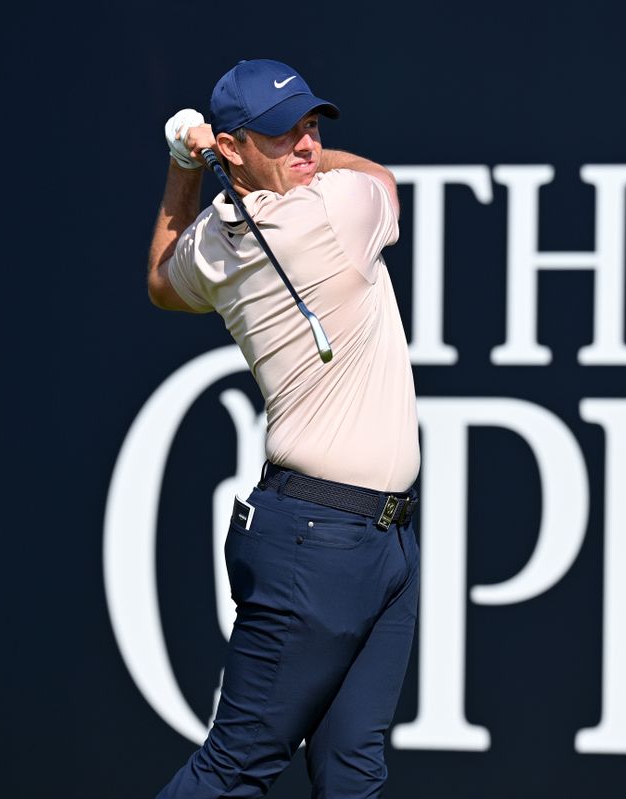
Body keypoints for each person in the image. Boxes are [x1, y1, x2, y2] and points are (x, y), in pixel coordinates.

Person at [146, 58, 421, 799]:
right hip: (318, 546)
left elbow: (162, 280)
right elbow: (385, 181)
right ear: (232, 146)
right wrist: (312, 165)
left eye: (309, 125)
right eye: (280, 133)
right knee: (232, 769)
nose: (305, 145)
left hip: (381, 542)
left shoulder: (214, 241)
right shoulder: (332, 210)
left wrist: (183, 166)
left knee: (352, 770)